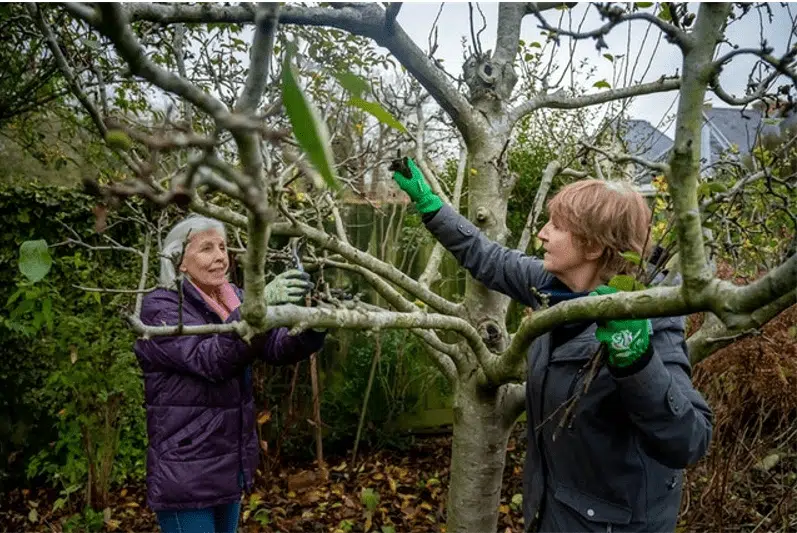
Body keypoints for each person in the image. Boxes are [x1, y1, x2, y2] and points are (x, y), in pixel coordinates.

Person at [391, 159, 712, 532]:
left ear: (592, 246)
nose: (542, 233)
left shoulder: (651, 319)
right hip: (551, 516)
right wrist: (431, 207)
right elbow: (488, 258)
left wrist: (636, 360)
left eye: (556, 226)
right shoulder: (553, 288)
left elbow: (690, 441)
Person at [134, 216, 326, 533]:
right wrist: (258, 303)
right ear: (178, 260)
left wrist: (315, 326)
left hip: (228, 464)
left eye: (222, 247)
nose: (220, 256)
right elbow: (211, 359)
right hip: (186, 471)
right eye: (206, 248)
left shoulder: (231, 298)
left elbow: (275, 347)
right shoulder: (161, 307)